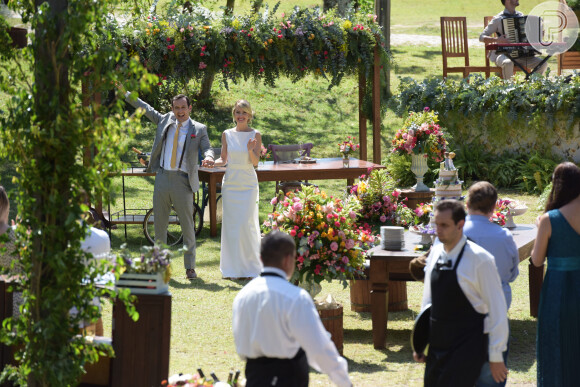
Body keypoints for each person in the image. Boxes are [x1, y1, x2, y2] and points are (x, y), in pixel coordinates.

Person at [232, 231, 352, 387]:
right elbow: (320, 349)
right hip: (287, 378)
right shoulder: (296, 298)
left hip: (254, 377)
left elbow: (241, 347)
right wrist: (344, 383)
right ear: (288, 260)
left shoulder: (242, 296)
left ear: (260, 259)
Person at [121, 87, 215, 280]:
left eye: (183, 107)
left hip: (183, 181)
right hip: (163, 177)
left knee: (188, 226)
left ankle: (190, 267)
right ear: (172, 109)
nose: (180, 111)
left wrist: (209, 157)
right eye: (176, 108)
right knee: (160, 225)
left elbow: (208, 148)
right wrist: (125, 93)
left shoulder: (199, 129)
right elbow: (145, 108)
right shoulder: (165, 120)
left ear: (190, 108)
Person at [414, 199, 509, 387]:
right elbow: (428, 301)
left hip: (468, 348)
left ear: (460, 225)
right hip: (437, 347)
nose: (438, 230)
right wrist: (420, 340)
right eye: (436, 224)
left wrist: (496, 355)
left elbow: (497, 310)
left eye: (444, 225)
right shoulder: (435, 253)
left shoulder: (480, 260)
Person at [464, 182, 519, 387]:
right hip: (495, 310)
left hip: (460, 311)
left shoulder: (452, 232)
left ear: (467, 203)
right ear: (494, 206)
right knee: (492, 376)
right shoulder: (503, 235)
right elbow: (512, 274)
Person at [532, 162, 580, 387]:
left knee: (556, 343)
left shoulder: (549, 219)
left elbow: (537, 260)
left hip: (557, 290)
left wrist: (540, 229)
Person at [214, 100, 262, 279]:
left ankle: (251, 267)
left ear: (249, 115)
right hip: (231, 183)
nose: (240, 116)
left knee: (247, 223)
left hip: (248, 183)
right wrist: (212, 162)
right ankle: (232, 268)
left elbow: (255, 162)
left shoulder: (255, 134)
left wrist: (250, 150)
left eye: (244, 113)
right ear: (234, 114)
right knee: (232, 225)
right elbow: (223, 159)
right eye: (237, 112)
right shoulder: (226, 134)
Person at [480, 0, 548, 79]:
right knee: (508, 63)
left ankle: (530, 88)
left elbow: (526, 37)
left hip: (522, 55)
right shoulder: (498, 19)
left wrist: (538, 36)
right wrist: (497, 39)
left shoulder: (521, 16)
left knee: (542, 64)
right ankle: (509, 90)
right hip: (503, 54)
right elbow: (481, 37)